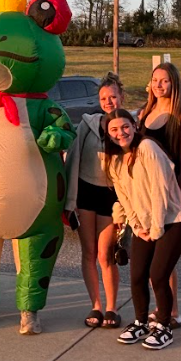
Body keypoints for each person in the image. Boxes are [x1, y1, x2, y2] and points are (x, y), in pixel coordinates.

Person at [104, 109, 181, 350]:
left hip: (172, 219)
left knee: (158, 274)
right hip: (145, 225)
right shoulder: (114, 160)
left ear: (134, 126)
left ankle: (164, 325)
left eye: (125, 127)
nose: (121, 133)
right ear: (108, 134)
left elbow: (160, 190)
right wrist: (136, 225)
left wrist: (156, 227)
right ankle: (141, 322)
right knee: (137, 275)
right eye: (114, 129)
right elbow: (124, 197)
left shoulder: (148, 149)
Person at [64, 72, 125, 329]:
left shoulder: (128, 127)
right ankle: (96, 306)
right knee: (88, 253)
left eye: (113, 96)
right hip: (86, 194)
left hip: (112, 199)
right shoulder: (87, 125)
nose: (109, 102)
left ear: (121, 97)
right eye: (104, 98)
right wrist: (70, 202)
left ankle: (112, 307)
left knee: (105, 254)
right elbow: (73, 162)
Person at [137, 62, 181, 328]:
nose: (159, 86)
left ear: (174, 83)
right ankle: (162, 308)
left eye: (165, 81)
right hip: (148, 197)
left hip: (171, 197)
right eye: (155, 80)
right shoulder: (145, 113)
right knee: (153, 262)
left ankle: (173, 312)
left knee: (164, 265)